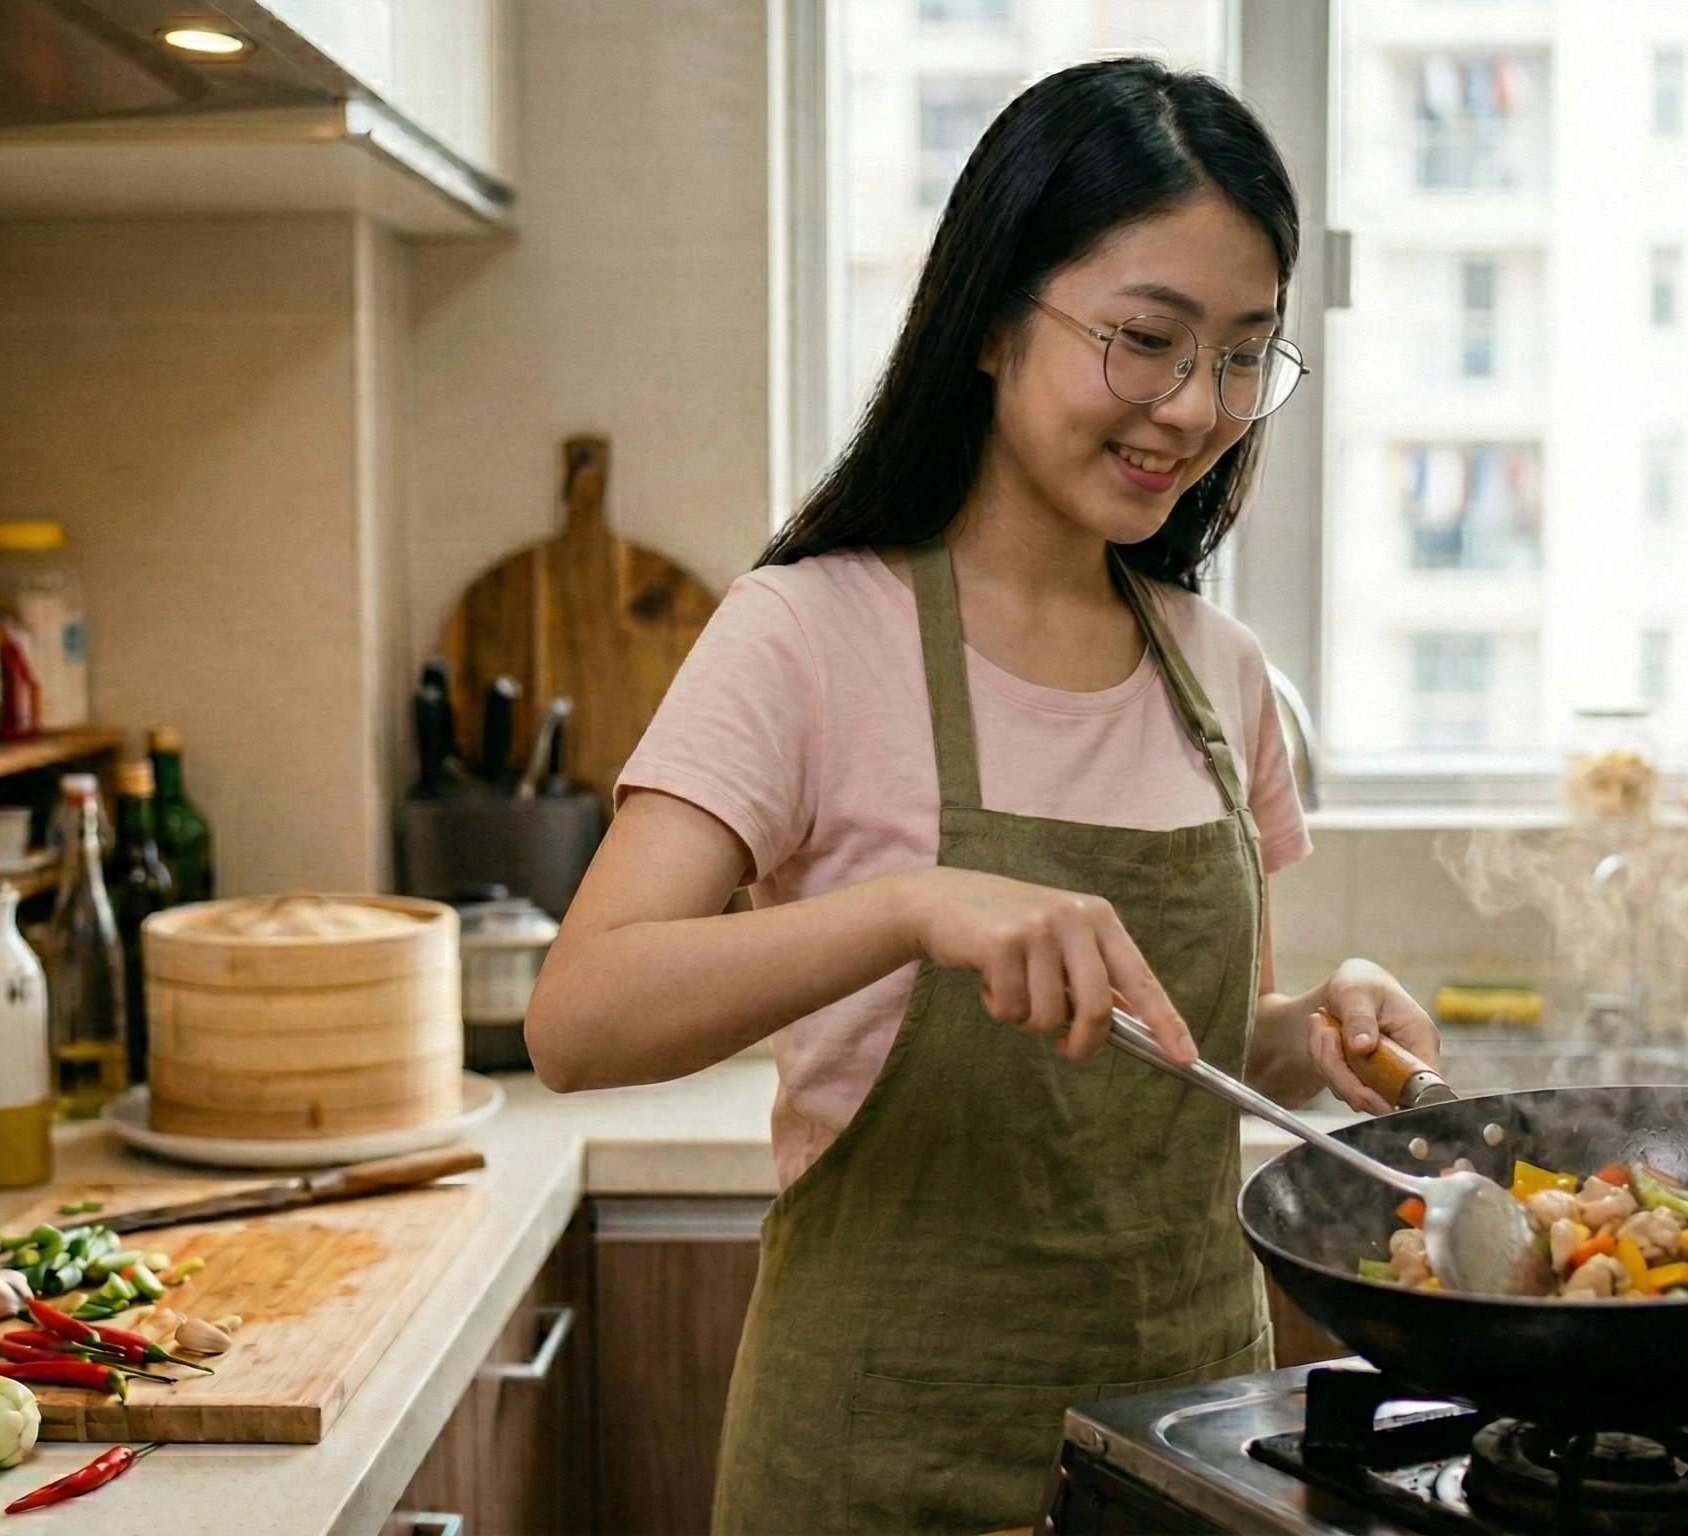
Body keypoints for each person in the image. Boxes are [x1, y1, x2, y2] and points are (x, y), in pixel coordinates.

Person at [523, 56, 1441, 1535]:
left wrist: (1320, 1031)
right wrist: (910, 910)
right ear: (993, 320)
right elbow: (577, 1020)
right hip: (876, 1473)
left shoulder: (1221, 673)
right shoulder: (808, 633)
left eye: (1241, 356)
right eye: (1146, 340)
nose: (1194, 407)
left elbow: (1184, 1059)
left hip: (1186, 1465)